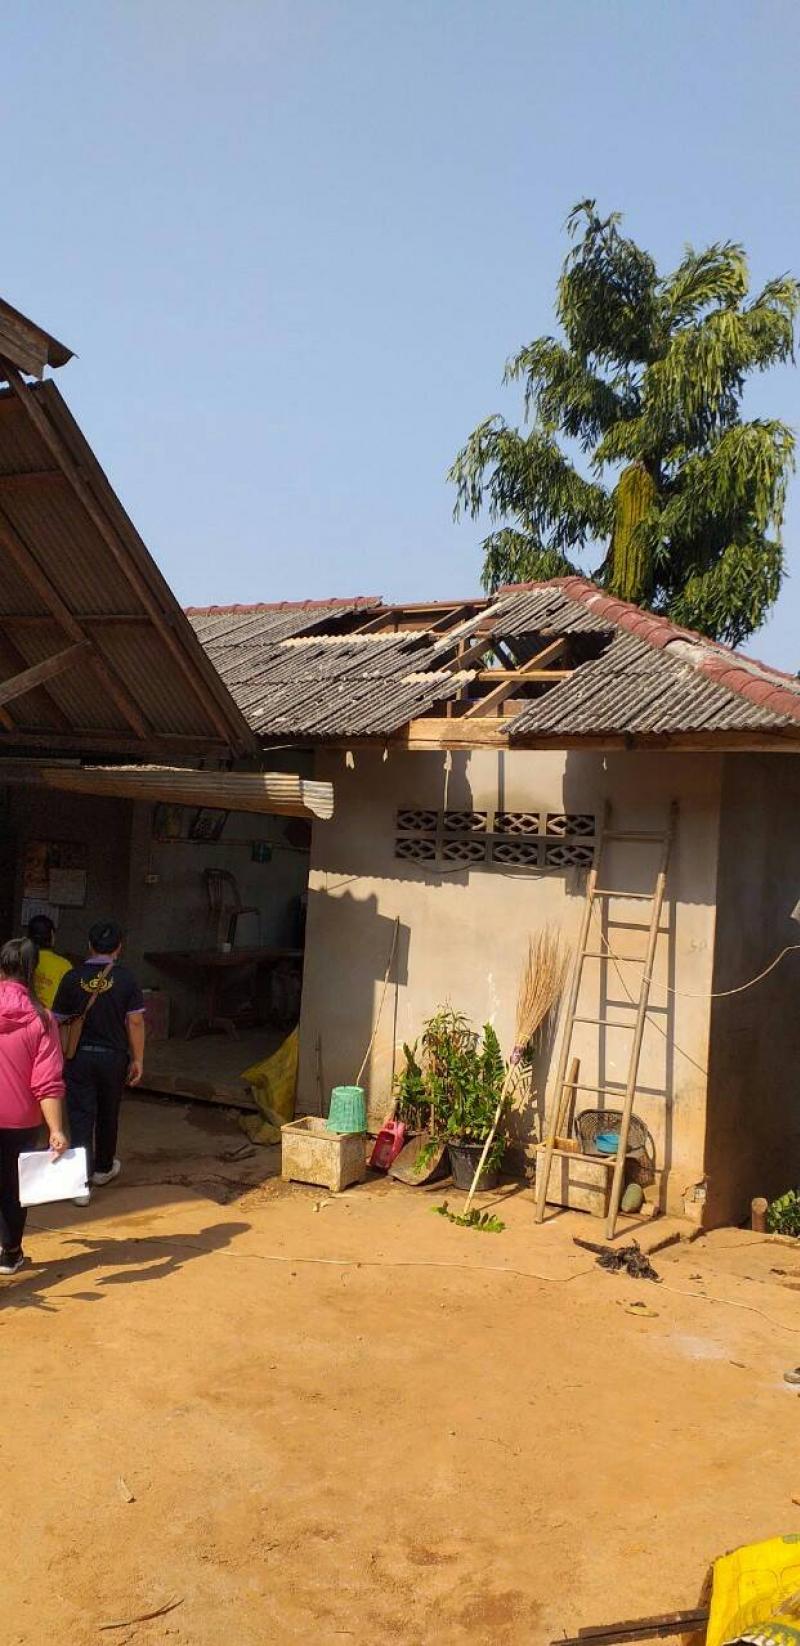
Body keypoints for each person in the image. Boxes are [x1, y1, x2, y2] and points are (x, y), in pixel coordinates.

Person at [53, 919, 145, 1205]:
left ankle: (81, 1186)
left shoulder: (72, 977)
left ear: (89, 946)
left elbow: (56, 1021)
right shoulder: (127, 979)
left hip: (79, 1057)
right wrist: (138, 1059)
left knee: (81, 1116)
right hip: (113, 1058)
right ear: (119, 948)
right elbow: (135, 1021)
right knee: (108, 1112)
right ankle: (104, 1168)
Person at [0, 937, 67, 1276]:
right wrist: (56, 1129)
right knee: (14, 1187)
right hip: (20, 1121)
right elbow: (47, 1081)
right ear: (33, 970)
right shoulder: (42, 1019)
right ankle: (10, 1254)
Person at [27, 914, 71, 1010]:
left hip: (23, 1015)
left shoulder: (20, 960)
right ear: (52, 935)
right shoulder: (64, 965)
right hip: (50, 1016)